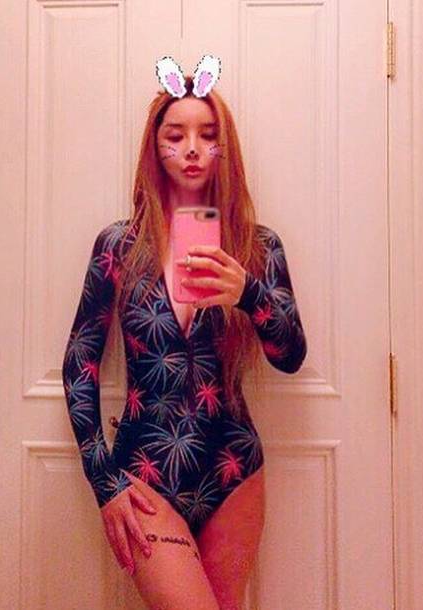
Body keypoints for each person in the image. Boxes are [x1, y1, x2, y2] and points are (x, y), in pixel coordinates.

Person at [62, 55, 307, 610]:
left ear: (225, 149)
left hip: (235, 469)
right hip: (145, 473)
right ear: (156, 148)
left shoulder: (258, 246)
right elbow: (79, 365)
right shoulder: (119, 246)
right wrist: (103, 481)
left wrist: (249, 293)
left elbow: (291, 354)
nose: (192, 147)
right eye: (176, 135)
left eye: (207, 135)